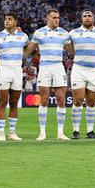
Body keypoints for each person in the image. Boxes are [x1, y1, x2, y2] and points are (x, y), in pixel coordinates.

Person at [0, 13, 32, 141]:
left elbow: (29, 49)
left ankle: (12, 133)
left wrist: (23, 56)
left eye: (9, 19)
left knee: (14, 103)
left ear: (15, 22)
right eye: (5, 19)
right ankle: (1, 133)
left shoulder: (23, 36)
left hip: (17, 71)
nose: (6, 21)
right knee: (2, 102)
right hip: (4, 70)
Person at [30, 9, 71, 141]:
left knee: (61, 99)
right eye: (54, 17)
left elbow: (71, 50)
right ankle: (42, 132)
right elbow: (30, 49)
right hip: (45, 67)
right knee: (44, 99)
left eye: (58, 17)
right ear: (47, 19)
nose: (56, 20)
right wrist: (37, 57)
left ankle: (60, 132)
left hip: (59, 66)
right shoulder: (39, 32)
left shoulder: (64, 33)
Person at [66, 10, 95, 139]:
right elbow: (66, 43)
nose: (87, 18)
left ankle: (90, 131)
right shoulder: (73, 33)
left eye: (89, 16)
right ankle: (76, 131)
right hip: (79, 69)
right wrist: (71, 55)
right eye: (85, 16)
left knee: (91, 101)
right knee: (77, 100)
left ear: (94, 19)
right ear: (81, 19)